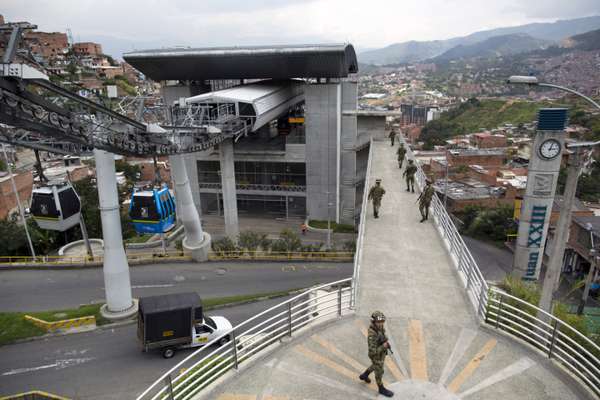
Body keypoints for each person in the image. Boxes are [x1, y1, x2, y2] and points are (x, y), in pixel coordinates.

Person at [359, 311, 394, 397]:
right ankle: (381, 388)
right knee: (379, 371)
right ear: (374, 322)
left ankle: (364, 375)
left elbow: (383, 335)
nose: (381, 324)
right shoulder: (372, 334)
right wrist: (384, 346)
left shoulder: (380, 327)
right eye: (379, 322)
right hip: (376, 355)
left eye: (382, 322)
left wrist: (385, 340)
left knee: (375, 365)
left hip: (381, 353)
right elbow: (372, 352)